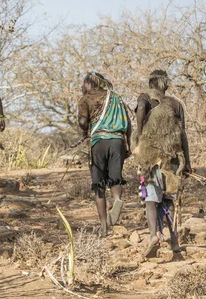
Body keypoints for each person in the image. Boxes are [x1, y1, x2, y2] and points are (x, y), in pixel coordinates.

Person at [134, 70, 192, 257]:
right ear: (165, 85)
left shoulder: (145, 98)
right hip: (173, 159)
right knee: (168, 199)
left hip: (150, 160)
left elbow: (141, 108)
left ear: (152, 84)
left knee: (150, 198)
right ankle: (174, 241)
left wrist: (141, 133)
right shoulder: (176, 104)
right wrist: (188, 162)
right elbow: (183, 134)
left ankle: (153, 236)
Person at [78, 72, 132, 237]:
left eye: (84, 83)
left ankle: (103, 226)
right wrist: (128, 144)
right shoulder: (116, 97)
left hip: (98, 141)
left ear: (90, 83)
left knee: (98, 184)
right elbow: (128, 123)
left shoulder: (86, 99)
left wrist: (84, 129)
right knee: (115, 177)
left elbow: (82, 122)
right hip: (117, 141)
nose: (82, 87)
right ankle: (117, 200)